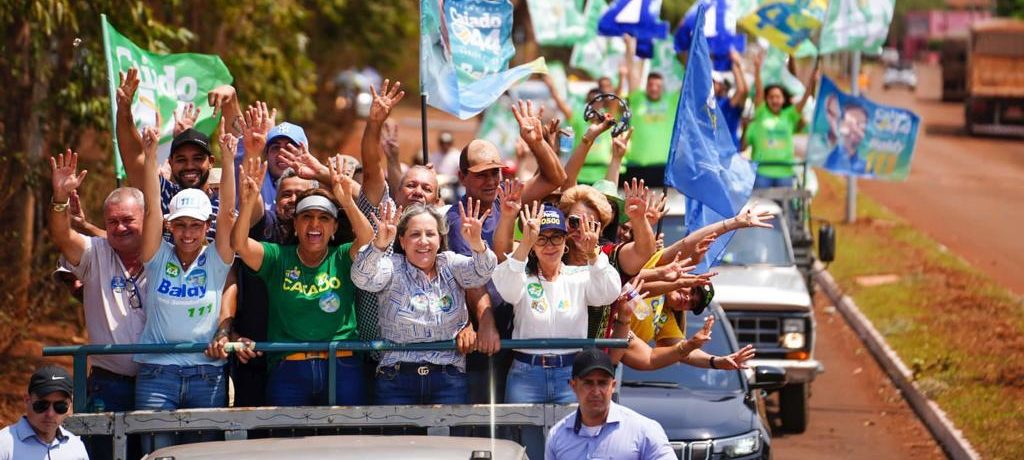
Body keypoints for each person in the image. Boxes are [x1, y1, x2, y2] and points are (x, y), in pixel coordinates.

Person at [232, 152, 375, 407]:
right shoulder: (277, 258)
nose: (314, 225)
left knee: (347, 442)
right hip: (289, 369)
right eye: (307, 217)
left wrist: (347, 202)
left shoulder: (341, 257)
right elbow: (240, 245)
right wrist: (247, 203)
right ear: (295, 224)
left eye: (324, 218)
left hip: (341, 366)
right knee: (286, 444)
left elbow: (367, 239)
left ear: (333, 229)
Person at [449, 100, 567, 405]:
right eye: (481, 174)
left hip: (515, 325)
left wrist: (536, 141)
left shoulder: (507, 200)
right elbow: (471, 276)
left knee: (514, 419)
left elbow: (555, 178)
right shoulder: (457, 217)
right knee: (479, 420)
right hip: (477, 332)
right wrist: (485, 320)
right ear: (462, 177)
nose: (491, 181)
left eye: (495, 173)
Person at [134, 126, 236, 453]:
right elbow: (151, 208)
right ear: (169, 225)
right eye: (180, 224)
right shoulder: (156, 256)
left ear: (207, 226)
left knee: (202, 456)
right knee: (155, 453)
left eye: (195, 224)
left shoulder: (217, 258)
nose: (188, 232)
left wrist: (230, 158)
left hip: (206, 374)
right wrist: (151, 157)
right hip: (157, 372)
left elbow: (229, 215)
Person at [493, 202, 621, 460]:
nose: (549, 245)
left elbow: (609, 293)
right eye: (541, 239)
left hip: (571, 374)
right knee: (526, 449)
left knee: (575, 447)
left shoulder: (580, 275)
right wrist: (524, 246)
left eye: (556, 237)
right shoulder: (522, 275)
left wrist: (594, 253)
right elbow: (505, 289)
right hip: (526, 374)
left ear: (566, 242)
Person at [48, 150, 147, 458]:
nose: (120, 228)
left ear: (147, 219)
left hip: (158, 383)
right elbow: (63, 237)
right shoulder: (95, 253)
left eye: (128, 220)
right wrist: (60, 199)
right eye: (112, 222)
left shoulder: (166, 255)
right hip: (108, 384)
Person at [351, 200, 496, 404]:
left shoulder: (451, 264)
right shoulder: (392, 267)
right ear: (402, 241)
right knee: (398, 437)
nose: (423, 241)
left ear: (439, 239)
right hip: (396, 379)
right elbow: (361, 278)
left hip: (448, 379)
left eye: (430, 234)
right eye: (414, 234)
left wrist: (476, 244)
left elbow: (482, 273)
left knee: (450, 438)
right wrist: (379, 245)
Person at [116, 68, 241, 240]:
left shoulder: (225, 202)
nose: (189, 166)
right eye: (181, 160)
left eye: (198, 158)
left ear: (211, 161)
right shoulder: (162, 194)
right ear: (170, 162)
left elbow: (242, 154)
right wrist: (124, 111)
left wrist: (232, 99)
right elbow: (135, 156)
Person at [545, 349, 675, 460]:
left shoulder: (644, 431)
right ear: (573, 386)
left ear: (613, 386)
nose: (596, 392)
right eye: (588, 383)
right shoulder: (557, 435)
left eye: (602, 383)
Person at [744, 54, 817, 189]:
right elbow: (759, 91)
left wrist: (812, 82)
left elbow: (805, 99)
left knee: (785, 210)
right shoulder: (761, 113)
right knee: (762, 209)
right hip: (762, 173)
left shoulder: (789, 116)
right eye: (771, 97)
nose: (775, 100)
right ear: (766, 100)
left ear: (783, 100)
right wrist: (757, 69)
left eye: (778, 97)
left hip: (785, 173)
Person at [622, 35, 681, 187]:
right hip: (636, 166)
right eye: (651, 85)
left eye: (658, 86)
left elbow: (691, 78)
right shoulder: (638, 99)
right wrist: (630, 47)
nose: (654, 88)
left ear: (663, 88)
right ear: (646, 86)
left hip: (664, 167)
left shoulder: (672, 101)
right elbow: (631, 73)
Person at [0, 366, 88, 460]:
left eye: (60, 407)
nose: (50, 414)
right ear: (27, 400)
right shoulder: (4, 445)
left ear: (69, 405)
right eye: (42, 405)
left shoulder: (76, 447)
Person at [715, 50, 750, 148]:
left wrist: (737, 65)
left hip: (730, 152)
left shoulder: (726, 104)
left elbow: (743, 91)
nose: (712, 84)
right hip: (713, 153)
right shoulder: (708, 103)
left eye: (715, 82)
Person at [824, 101, 870, 175]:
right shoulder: (825, 153)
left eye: (862, 125)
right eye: (851, 123)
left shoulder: (866, 166)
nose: (856, 129)